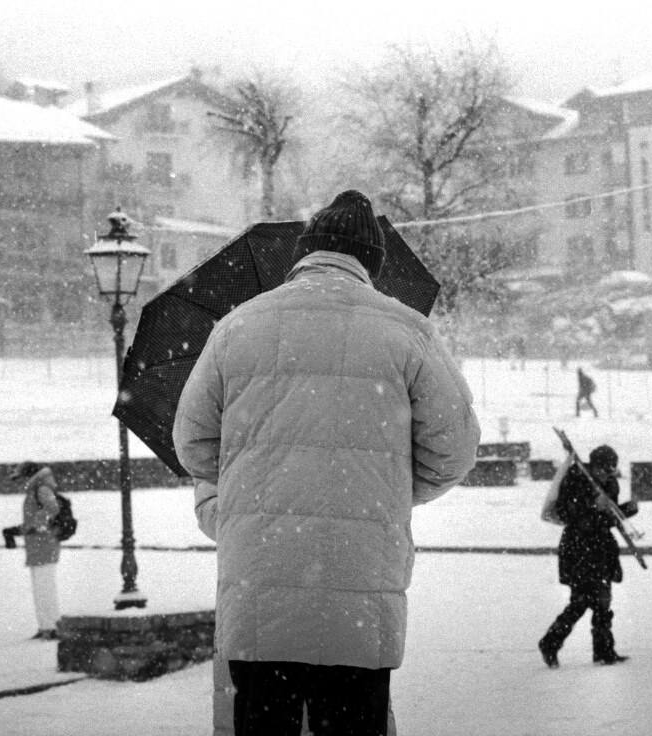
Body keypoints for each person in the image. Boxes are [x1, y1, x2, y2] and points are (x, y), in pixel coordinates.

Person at [173, 190, 481, 736]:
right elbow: (452, 456)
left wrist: (251, 494)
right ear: (373, 263)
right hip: (359, 584)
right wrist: (377, 490)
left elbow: (194, 445)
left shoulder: (238, 326)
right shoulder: (408, 331)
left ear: (304, 253)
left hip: (259, 580)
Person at [538, 445, 638, 668]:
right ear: (594, 466)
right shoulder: (576, 478)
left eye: (611, 471)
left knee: (603, 603)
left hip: (601, 549)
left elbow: (606, 519)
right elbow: (567, 513)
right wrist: (592, 505)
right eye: (604, 470)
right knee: (580, 603)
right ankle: (549, 643)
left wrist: (625, 510)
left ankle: (604, 652)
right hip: (578, 550)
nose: (607, 475)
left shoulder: (610, 483)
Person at [2, 461, 62, 641]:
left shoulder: (41, 488)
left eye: (20, 478)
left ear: (29, 475)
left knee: (45, 589)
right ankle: (46, 626)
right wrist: (19, 530)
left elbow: (53, 509)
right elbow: (37, 519)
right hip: (37, 546)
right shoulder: (35, 489)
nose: (19, 483)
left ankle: (53, 627)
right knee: (40, 589)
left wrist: (34, 525)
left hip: (44, 545)